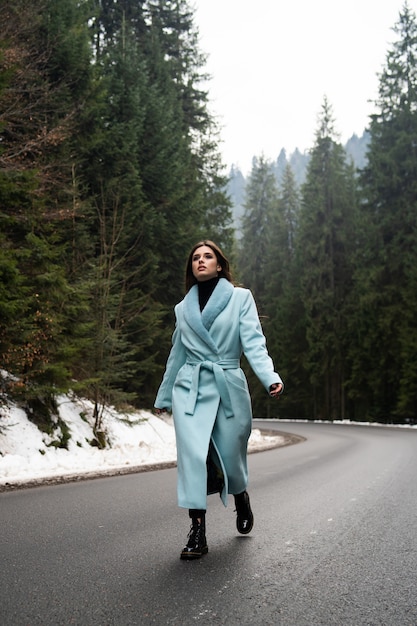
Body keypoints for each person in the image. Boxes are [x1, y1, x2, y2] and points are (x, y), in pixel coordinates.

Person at [154, 240, 283, 560]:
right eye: (195, 258)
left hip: (228, 384)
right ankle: (197, 530)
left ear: (220, 265)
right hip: (191, 389)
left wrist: (270, 377)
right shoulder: (183, 309)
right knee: (193, 456)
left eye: (207, 256)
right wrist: (165, 393)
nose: (200, 261)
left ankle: (240, 494)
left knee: (229, 454)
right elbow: (177, 353)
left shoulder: (241, 298)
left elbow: (254, 342)